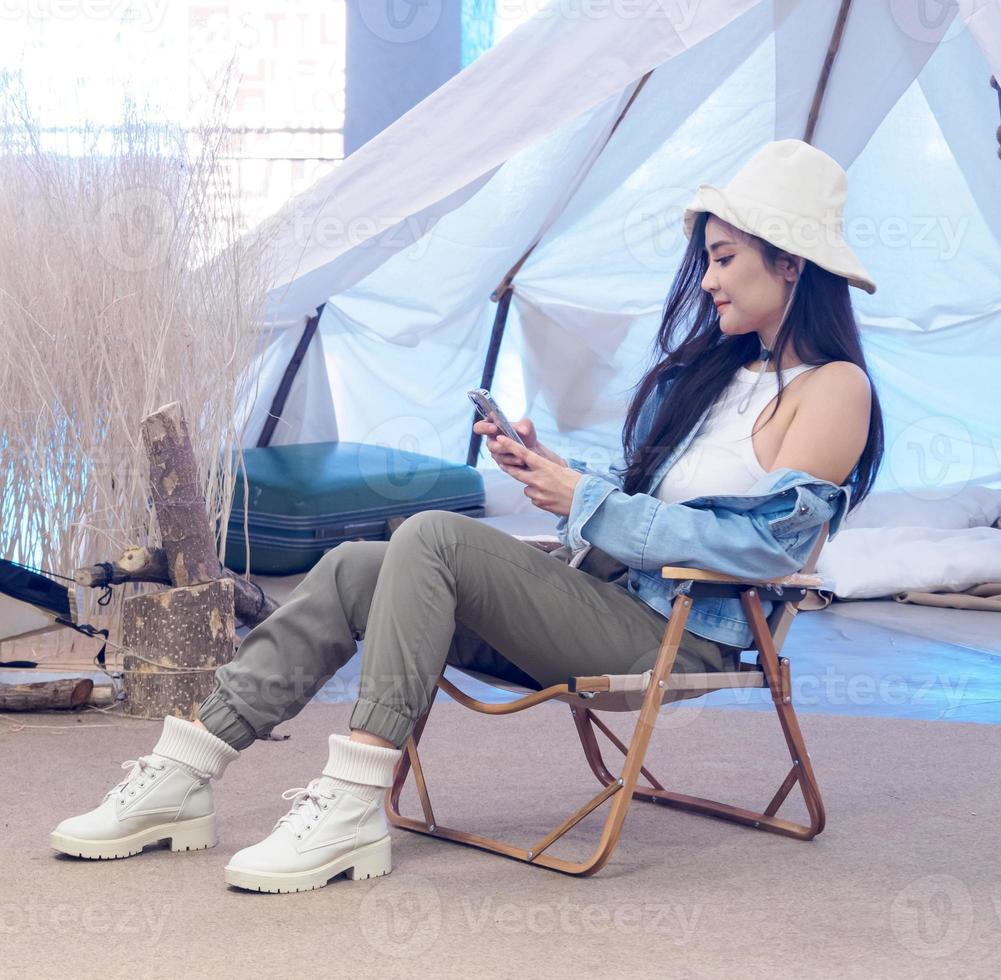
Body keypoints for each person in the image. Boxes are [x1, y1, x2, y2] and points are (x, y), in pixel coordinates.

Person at [51, 139, 882, 894]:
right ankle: (183, 772)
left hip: (676, 634)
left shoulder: (833, 388)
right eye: (706, 259)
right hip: (601, 607)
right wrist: (553, 472)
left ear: (792, 265)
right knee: (351, 568)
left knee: (435, 537)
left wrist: (588, 505)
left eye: (725, 258)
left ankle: (350, 796)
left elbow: (764, 546)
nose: (705, 280)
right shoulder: (706, 380)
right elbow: (648, 505)